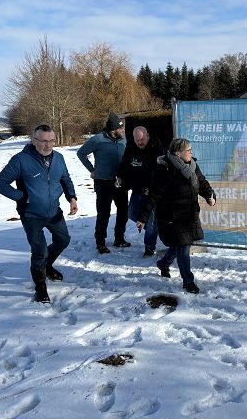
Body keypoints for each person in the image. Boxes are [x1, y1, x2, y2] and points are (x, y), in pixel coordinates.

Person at [0, 125, 78, 303]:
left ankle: (47, 266)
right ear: (34, 141)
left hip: (54, 211)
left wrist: (72, 197)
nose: (48, 145)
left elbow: (65, 179)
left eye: (52, 141)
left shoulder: (59, 158)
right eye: (44, 141)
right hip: (31, 214)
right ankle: (40, 288)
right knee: (40, 251)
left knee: (63, 240)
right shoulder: (20, 160)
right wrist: (22, 197)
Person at [137, 138, 216, 294]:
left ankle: (163, 263)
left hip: (189, 214)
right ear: (178, 153)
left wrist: (209, 195)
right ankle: (188, 281)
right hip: (171, 217)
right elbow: (153, 196)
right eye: (188, 150)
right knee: (183, 246)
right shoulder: (164, 170)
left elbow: (202, 183)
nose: (191, 152)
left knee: (179, 245)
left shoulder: (192, 165)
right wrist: (143, 217)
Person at [77, 112, 129, 254]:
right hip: (103, 183)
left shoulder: (124, 139)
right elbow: (81, 153)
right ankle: (100, 242)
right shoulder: (98, 140)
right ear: (113, 130)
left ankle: (119, 238)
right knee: (103, 214)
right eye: (121, 128)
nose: (123, 130)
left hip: (120, 182)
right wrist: (92, 170)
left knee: (123, 212)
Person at [117, 126, 164, 257]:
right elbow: (124, 164)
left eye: (142, 139)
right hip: (137, 189)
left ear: (147, 136)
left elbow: (162, 170)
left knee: (151, 221)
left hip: (152, 192)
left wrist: (154, 187)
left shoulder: (156, 148)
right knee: (132, 214)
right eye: (137, 140)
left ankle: (149, 247)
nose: (139, 142)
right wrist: (120, 176)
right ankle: (152, 227)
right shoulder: (131, 147)